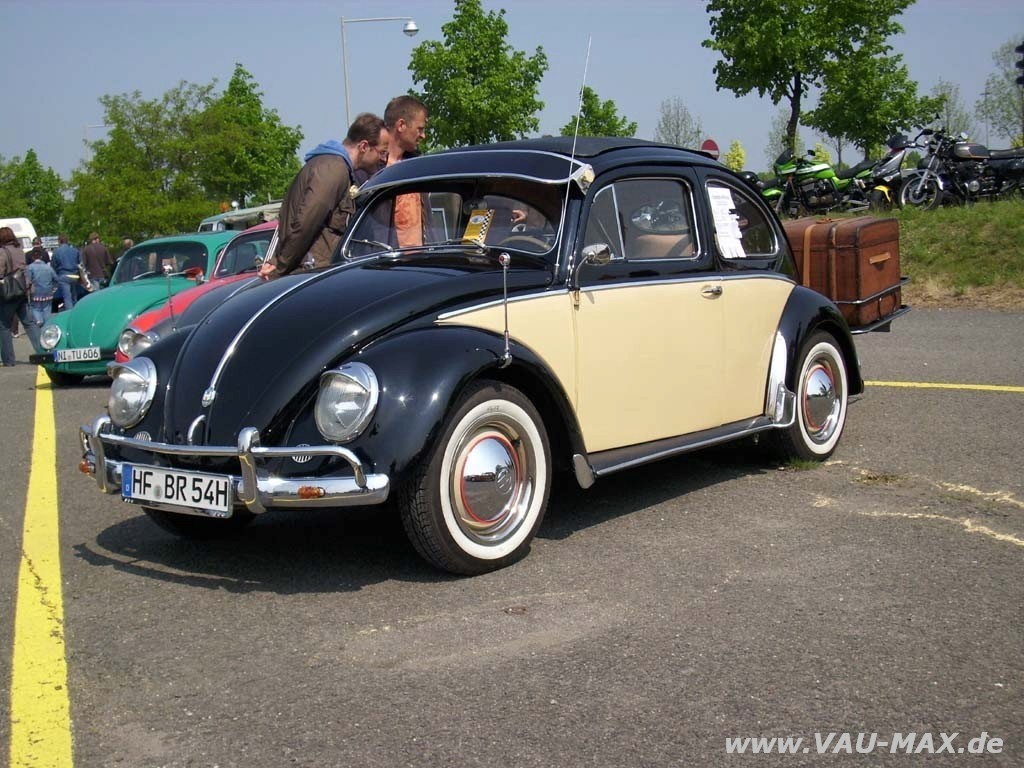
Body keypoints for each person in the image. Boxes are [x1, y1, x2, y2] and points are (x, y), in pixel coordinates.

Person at [259, 112, 389, 280]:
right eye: (382, 152)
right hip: (310, 274)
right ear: (364, 146)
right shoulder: (333, 170)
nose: (383, 159)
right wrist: (280, 265)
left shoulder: (331, 167)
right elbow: (307, 222)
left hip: (311, 272)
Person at [383, 95, 429, 247]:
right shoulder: (373, 170)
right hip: (388, 258)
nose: (423, 136)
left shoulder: (417, 166)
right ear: (401, 125)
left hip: (420, 257)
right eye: (419, 129)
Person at [0, 226, 42, 366]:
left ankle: (8, 359)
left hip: (8, 293)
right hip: (22, 291)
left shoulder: (3, 252)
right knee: (29, 324)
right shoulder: (19, 250)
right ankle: (42, 352)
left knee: (4, 325)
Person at [25, 247, 58, 327]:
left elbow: (28, 281)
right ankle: (47, 324)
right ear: (41, 256)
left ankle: (39, 320)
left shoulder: (30, 267)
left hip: (35, 291)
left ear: (32, 257)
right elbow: (56, 279)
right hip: (48, 291)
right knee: (47, 308)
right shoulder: (48, 267)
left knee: (36, 308)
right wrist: (54, 288)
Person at [51, 234, 81, 310]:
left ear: (59, 241)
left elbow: (53, 266)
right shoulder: (75, 250)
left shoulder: (56, 251)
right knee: (74, 296)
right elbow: (80, 263)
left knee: (67, 298)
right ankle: (76, 310)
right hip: (75, 275)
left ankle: (70, 313)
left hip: (63, 276)